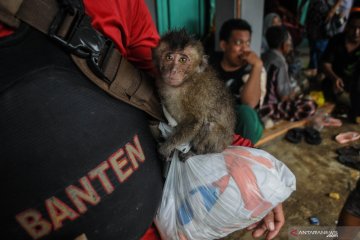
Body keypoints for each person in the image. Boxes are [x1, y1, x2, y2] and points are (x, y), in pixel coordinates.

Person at [0, 1, 285, 239]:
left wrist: (250, 171)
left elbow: (192, 104)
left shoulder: (118, 4)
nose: (174, 65)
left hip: (166, 217)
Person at [210, 18, 266, 145]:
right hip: (218, 123)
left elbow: (249, 103)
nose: (244, 49)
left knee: (245, 113)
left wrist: (257, 66)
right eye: (239, 43)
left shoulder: (253, 69)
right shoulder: (210, 64)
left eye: (247, 43)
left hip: (245, 126)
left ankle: (246, 157)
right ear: (224, 45)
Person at [260, 26, 317, 122]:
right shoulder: (280, 63)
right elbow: (284, 97)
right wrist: (298, 92)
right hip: (268, 108)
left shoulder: (264, 56)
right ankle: (269, 119)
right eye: (289, 42)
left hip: (259, 104)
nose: (290, 45)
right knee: (310, 106)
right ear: (283, 45)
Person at [322, 7, 360, 122]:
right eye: (353, 27)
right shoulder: (336, 40)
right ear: (347, 26)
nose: (356, 32)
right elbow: (325, 63)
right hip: (335, 80)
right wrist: (334, 78)